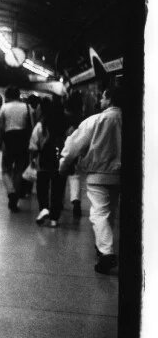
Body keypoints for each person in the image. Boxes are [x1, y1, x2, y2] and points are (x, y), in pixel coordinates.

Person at [59, 86, 122, 274]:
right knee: (111, 212)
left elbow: (72, 147)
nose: (100, 102)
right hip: (122, 175)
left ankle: (106, 252)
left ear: (109, 99)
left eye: (102, 98)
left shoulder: (95, 120)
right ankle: (102, 246)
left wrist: (63, 166)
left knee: (99, 213)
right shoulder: (135, 118)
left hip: (97, 174)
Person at [29, 97, 68, 227]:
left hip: (44, 161)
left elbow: (33, 145)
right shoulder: (66, 126)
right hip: (61, 161)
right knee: (58, 189)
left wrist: (33, 160)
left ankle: (44, 209)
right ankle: (54, 219)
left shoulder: (41, 125)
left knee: (42, 187)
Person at [0, 85, 33, 212]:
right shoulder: (27, 108)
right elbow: (32, 126)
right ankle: (15, 197)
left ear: (7, 96)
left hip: (9, 141)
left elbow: (0, 126)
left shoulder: (4, 108)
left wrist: (0, 140)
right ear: (18, 95)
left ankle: (11, 191)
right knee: (18, 170)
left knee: (5, 169)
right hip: (23, 142)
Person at [63, 91, 85, 218]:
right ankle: (76, 202)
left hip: (63, 148)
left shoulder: (63, 116)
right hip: (76, 148)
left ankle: (58, 202)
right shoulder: (81, 118)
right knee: (74, 176)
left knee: (60, 176)